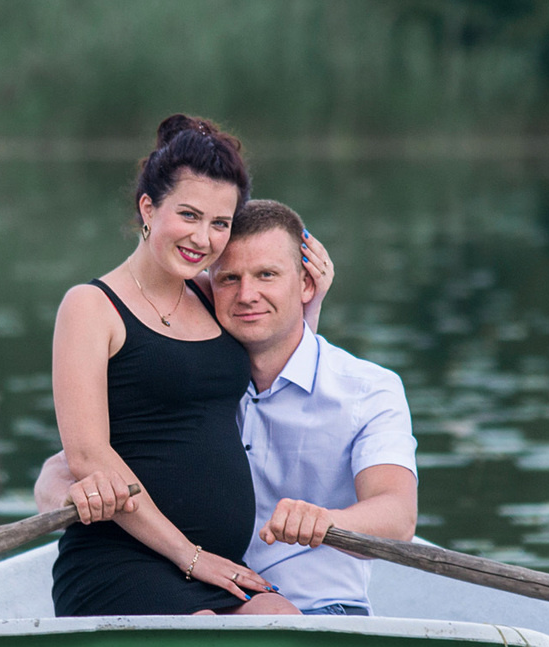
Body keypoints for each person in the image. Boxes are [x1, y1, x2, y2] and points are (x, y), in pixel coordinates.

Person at [43, 198, 416, 615]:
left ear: (306, 284)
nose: (247, 295)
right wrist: (63, 489)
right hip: (197, 589)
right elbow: (82, 462)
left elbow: (398, 517)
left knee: (261, 631)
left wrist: (325, 520)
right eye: (229, 279)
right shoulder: (202, 385)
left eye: (267, 275)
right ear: (205, 287)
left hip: (320, 608)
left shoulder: (368, 390)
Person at [49, 115, 293, 618]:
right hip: (119, 561)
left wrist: (312, 301)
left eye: (220, 223)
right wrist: (190, 557)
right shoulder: (91, 307)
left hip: (216, 563)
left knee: (282, 623)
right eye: (189, 215)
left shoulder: (210, 297)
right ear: (148, 208)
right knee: (203, 635)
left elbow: (275, 348)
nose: (203, 238)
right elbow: (88, 455)